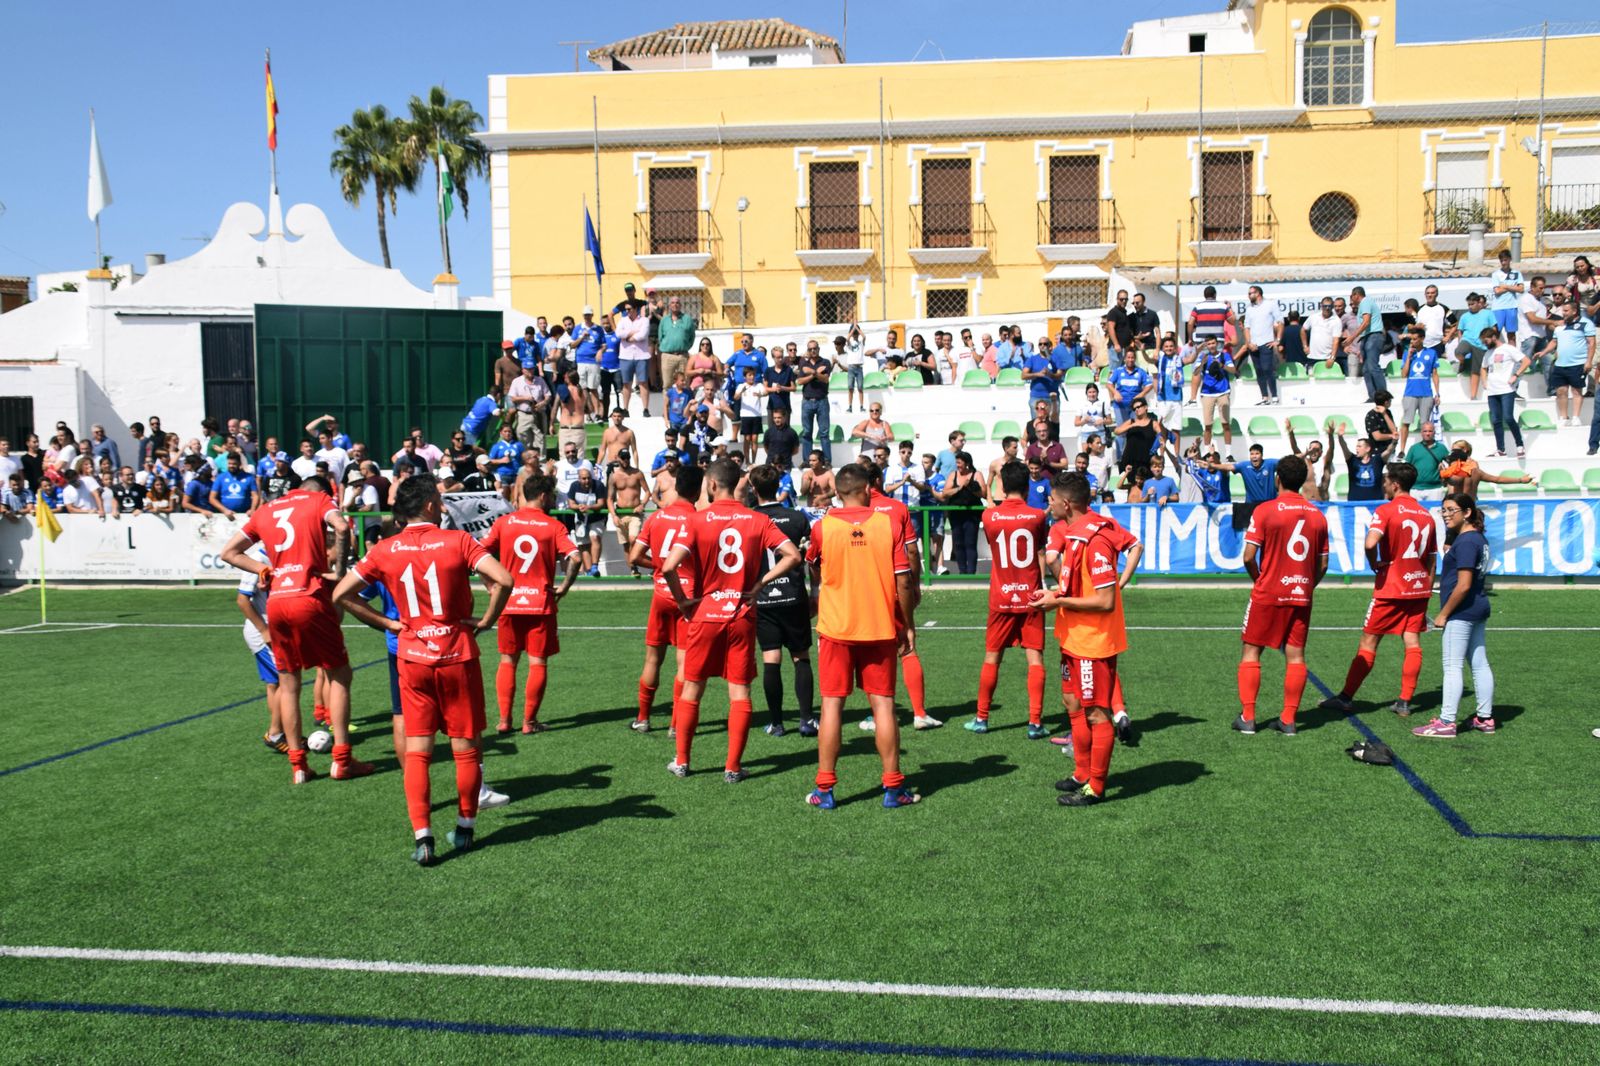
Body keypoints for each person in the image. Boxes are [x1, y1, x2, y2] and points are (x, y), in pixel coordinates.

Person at [333, 474, 513, 865]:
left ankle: (423, 839)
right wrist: (485, 621)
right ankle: (465, 830)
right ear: (430, 504)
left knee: (417, 752)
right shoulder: (459, 541)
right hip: (456, 655)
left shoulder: (384, 549)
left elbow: (340, 594)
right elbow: (503, 579)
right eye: (439, 499)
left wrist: (387, 623)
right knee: (465, 749)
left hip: (412, 656)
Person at [219, 476, 370, 783]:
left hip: (278, 602)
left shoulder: (266, 509)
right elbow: (342, 527)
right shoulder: (318, 501)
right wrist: (339, 571)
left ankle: (298, 765)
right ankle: (342, 760)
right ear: (320, 492)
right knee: (339, 673)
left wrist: (263, 569)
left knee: (289, 684)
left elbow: (228, 553)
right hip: (309, 595)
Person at [661, 458, 802, 781]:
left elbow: (669, 567)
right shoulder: (756, 519)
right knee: (739, 693)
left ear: (711, 485)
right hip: (740, 614)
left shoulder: (697, 520)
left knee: (692, 688)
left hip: (706, 614)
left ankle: (682, 761)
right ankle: (733, 767)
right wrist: (760, 584)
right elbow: (793, 555)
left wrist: (683, 602)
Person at [804, 462, 920, 810]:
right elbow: (903, 580)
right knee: (883, 704)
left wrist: (819, 589)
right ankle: (893, 787)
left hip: (836, 628)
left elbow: (812, 563)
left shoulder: (823, 527)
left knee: (832, 706)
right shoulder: (887, 523)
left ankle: (825, 789)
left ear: (837, 492)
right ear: (868, 489)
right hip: (879, 626)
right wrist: (907, 623)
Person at [1033, 473, 1129, 806]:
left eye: (1052, 498)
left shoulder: (1095, 539)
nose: (1048, 503)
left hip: (1092, 643)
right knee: (1073, 704)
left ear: (1067, 503)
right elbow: (1077, 586)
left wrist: (1057, 601)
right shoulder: (1074, 534)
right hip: (1072, 638)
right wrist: (1053, 593)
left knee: (1098, 715)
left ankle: (1096, 787)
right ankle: (1082, 772)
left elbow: (1105, 601)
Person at [1320, 463, 1437, 719]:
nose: (1383, 484)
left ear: (1395, 483)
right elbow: (1431, 559)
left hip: (1391, 588)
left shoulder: (1386, 510)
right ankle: (1405, 702)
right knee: (1412, 643)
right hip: (1418, 588)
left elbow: (1371, 542)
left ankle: (1346, 698)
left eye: (1385, 480)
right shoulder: (1426, 515)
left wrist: (1374, 562)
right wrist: (1426, 588)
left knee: (1369, 643)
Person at [1232, 455, 1328, 736]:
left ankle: (1248, 717)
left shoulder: (1264, 510)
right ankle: (1288, 720)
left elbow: (1248, 557)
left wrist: (1260, 580)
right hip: (1301, 593)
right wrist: (1307, 586)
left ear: (1278, 479)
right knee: (1296, 655)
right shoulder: (1317, 515)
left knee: (1251, 650)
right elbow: (1322, 564)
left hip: (1268, 591)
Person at [481, 474, 581, 735]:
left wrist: (491, 585)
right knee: (537, 663)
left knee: (508, 661)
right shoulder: (553, 526)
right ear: (544, 496)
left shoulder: (504, 523)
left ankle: (504, 721)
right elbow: (576, 557)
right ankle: (529, 722)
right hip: (540, 603)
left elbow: (478, 552)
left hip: (509, 602)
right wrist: (564, 587)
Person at [968, 461, 1050, 737]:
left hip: (1001, 596)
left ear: (1002, 485)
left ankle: (981, 718)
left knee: (992, 658)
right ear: (1027, 486)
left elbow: (994, 517)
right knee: (1035, 658)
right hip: (1032, 596)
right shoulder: (1037, 516)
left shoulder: (989, 517)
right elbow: (1040, 551)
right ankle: (1035, 723)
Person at [1412, 494, 1497, 739]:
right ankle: (1485, 717)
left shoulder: (1468, 541)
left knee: (1452, 665)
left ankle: (1447, 721)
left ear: (1467, 512)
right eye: (1443, 510)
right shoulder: (1475, 538)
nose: (1446, 514)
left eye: (1451, 509)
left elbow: (1463, 585)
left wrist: (1443, 614)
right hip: (1477, 607)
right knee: (1479, 663)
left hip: (1462, 611)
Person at [629, 463, 703, 733]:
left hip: (662, 593)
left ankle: (643, 718)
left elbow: (634, 556)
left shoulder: (657, 518)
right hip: (688, 596)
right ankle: (675, 724)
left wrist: (659, 566)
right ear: (699, 489)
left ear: (675, 486)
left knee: (652, 659)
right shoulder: (699, 520)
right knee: (684, 662)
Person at [748, 463, 815, 738]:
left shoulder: (748, 518)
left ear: (754, 489)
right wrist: (816, 594)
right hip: (794, 595)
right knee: (800, 657)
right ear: (779, 486)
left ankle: (776, 723)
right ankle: (807, 720)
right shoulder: (797, 518)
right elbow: (811, 559)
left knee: (771, 658)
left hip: (763, 598)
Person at [235, 541, 287, 753]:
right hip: (262, 633)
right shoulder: (258, 559)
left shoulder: (279, 554)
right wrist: (264, 630)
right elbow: (242, 600)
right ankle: (275, 733)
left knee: (274, 684)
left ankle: (282, 730)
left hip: (272, 631)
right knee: (287, 680)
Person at [1539, 299, 1597, 428]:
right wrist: (1544, 351)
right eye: (1562, 311)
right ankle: (1564, 417)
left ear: (1574, 311)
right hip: (1560, 364)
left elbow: (1592, 343)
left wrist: (1588, 361)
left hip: (1577, 363)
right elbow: (1554, 342)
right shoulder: (1560, 325)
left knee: (1576, 391)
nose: (1563, 313)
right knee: (1561, 391)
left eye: (1566, 311)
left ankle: (1576, 417)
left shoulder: (1586, 323)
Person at [1479, 327, 1532, 458]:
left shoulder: (1508, 349)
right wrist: (1484, 381)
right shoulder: (1488, 353)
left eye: (1486, 341)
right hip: (1492, 391)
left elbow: (1526, 361)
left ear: (1493, 337)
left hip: (1506, 389)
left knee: (1508, 417)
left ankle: (1519, 445)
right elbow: (1483, 368)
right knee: (1496, 420)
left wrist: (1516, 375)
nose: (1485, 344)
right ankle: (1500, 449)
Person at [1188, 336, 1236, 454]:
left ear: (1217, 343)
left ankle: (1228, 454)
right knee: (1208, 425)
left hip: (1223, 392)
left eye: (1213, 343)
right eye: (1209, 344)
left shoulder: (1224, 356)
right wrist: (1201, 364)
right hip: (1207, 393)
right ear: (1206, 345)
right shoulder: (1203, 357)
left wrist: (1221, 365)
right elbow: (1195, 372)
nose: (1211, 346)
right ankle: (1206, 452)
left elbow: (1233, 370)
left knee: (1225, 423)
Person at [938, 451, 983, 575]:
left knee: (970, 543)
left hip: (972, 514)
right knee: (958, 543)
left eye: (959, 462)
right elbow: (945, 493)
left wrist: (972, 487)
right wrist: (960, 487)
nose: (957, 465)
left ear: (967, 463)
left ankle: (971, 572)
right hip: (956, 513)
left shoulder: (976, 474)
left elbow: (983, 494)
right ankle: (962, 572)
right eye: (956, 462)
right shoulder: (953, 475)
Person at [1396, 328, 1440, 455]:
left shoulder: (1431, 353)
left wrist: (1437, 393)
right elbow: (1404, 374)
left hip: (1426, 393)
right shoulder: (1407, 353)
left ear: (1422, 339)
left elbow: (1435, 374)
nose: (1413, 342)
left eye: (1415, 339)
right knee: (1406, 421)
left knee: (1425, 424)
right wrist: (1409, 357)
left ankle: (1425, 449)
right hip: (1410, 392)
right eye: (1411, 339)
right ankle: (1402, 449)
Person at [607, 450, 649, 576]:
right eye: (623, 458)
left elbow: (647, 492)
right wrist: (613, 515)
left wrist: (642, 504)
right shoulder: (614, 476)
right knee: (626, 544)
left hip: (635, 513)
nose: (626, 460)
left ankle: (643, 563)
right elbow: (609, 498)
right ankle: (633, 568)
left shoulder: (637, 473)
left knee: (633, 539)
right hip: (620, 513)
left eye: (628, 458)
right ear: (618, 458)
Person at [1240, 285, 1283, 404]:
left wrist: (1278, 340)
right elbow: (1246, 327)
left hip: (1266, 342)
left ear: (1258, 293)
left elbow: (1280, 322)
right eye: (1248, 294)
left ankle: (1274, 396)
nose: (1249, 296)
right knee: (1259, 370)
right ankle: (1264, 397)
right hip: (1253, 344)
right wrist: (1248, 343)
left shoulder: (1270, 304)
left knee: (1267, 369)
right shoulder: (1249, 309)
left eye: (1251, 293)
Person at [1403, 420, 1450, 501]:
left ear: (1434, 432)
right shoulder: (1414, 448)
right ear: (1421, 432)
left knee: (1435, 513)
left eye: (1430, 431)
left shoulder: (1442, 448)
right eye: (1425, 431)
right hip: (1415, 489)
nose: (1427, 433)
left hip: (1435, 489)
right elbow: (1407, 467)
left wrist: (1444, 467)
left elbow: (1450, 464)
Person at [1333, 427, 1383, 502]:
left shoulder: (1377, 460)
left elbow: (1388, 452)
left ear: (1368, 449)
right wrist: (1340, 437)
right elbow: (1344, 447)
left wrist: (1394, 441)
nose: (1357, 449)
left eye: (1359, 446)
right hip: (1355, 504)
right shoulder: (1352, 460)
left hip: (1374, 504)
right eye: (1356, 446)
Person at [1489, 249, 1525, 344]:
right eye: (1501, 261)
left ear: (1509, 259)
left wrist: (1505, 286)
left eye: (1505, 260)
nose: (1503, 263)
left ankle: (1512, 355)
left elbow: (1521, 289)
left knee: (1511, 335)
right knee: (1495, 333)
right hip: (1498, 308)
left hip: (1512, 306)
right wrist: (1513, 287)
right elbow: (1497, 291)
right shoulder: (1496, 274)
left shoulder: (1516, 273)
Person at [210, 452, 257, 520]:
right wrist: (224, 510)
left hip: (244, 515)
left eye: (234, 464)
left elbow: (255, 495)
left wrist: (252, 509)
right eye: (229, 463)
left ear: (239, 464)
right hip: (225, 516)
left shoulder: (249, 477)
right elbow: (212, 498)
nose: (231, 466)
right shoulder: (221, 477)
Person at [1365, 389, 1398, 462]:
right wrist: (1391, 436)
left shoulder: (1388, 412)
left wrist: (1384, 414)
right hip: (1377, 453)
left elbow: (1394, 431)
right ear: (1386, 402)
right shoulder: (1371, 415)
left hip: (1390, 451)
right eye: (1390, 401)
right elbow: (1377, 437)